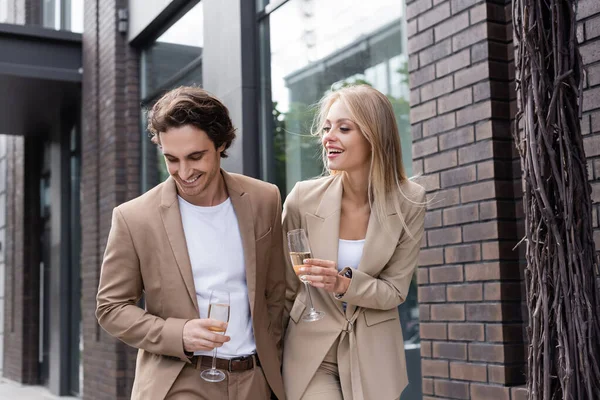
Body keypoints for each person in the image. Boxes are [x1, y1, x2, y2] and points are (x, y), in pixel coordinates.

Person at [96, 86, 286, 400]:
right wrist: (178, 333)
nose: (184, 172)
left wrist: (271, 367)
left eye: (195, 157)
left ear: (221, 143)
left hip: (254, 379)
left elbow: (277, 294)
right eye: (172, 159)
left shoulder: (264, 199)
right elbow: (111, 308)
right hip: (180, 381)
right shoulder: (134, 217)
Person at [282, 85, 427, 400]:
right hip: (310, 354)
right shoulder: (301, 199)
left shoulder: (410, 201)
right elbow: (282, 286)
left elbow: (395, 290)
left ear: (374, 135)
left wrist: (343, 283)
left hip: (374, 357)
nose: (328, 137)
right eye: (327, 128)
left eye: (343, 128)